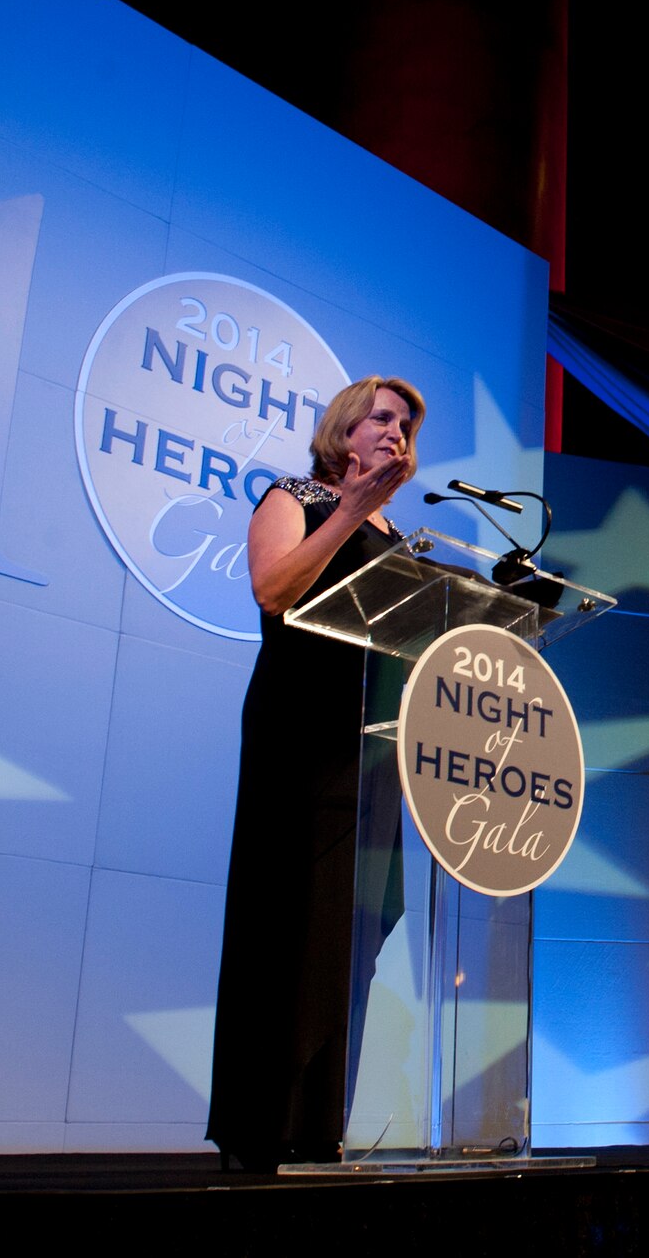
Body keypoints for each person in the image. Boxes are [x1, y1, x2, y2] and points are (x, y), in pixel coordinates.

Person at [208, 375, 424, 1171]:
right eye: (382, 416)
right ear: (344, 428)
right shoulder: (294, 493)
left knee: (348, 939)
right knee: (288, 920)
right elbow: (273, 590)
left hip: (369, 749)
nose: (396, 431)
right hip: (299, 733)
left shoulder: (400, 539)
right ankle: (260, 1126)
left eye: (405, 423)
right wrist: (352, 512)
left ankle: (319, 1126)